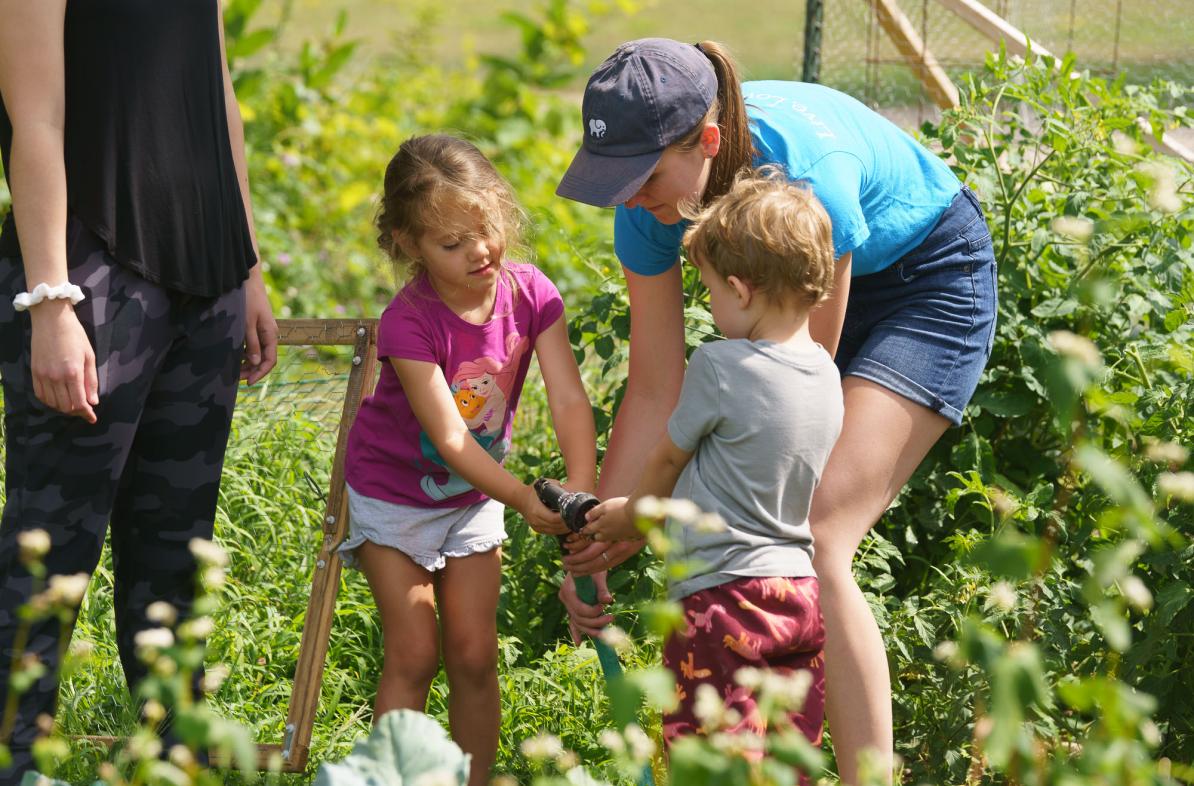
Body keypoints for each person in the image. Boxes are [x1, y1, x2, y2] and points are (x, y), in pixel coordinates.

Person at [554, 38, 997, 783]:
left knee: (819, 534)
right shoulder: (650, 205)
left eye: (646, 176)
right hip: (788, 305)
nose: (632, 199)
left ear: (709, 141)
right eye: (616, 179)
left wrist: (658, 506)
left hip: (924, 281)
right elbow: (655, 386)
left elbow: (804, 379)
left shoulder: (801, 172)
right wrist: (601, 529)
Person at [0, 1, 277, 781]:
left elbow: (218, 94)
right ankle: (14, 763)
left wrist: (248, 264)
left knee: (176, 552)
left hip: (209, 274)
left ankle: (171, 757)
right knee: (47, 552)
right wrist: (51, 300)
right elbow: (37, 119)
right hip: (93, 277)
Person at [340, 134, 595, 786]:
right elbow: (452, 440)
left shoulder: (532, 295)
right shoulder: (409, 322)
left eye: (484, 229)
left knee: (476, 654)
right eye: (451, 245)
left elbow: (568, 399)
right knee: (416, 652)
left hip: (469, 501)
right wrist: (521, 497)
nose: (478, 252)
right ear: (408, 245)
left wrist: (580, 497)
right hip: (393, 497)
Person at [582, 168, 843, 762]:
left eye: (712, 293)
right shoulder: (827, 373)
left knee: (711, 763)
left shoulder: (721, 365)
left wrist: (634, 517)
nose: (713, 307)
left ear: (741, 289)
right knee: (783, 760)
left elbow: (669, 454)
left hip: (722, 601)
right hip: (799, 595)